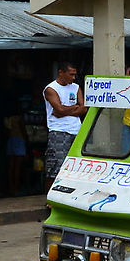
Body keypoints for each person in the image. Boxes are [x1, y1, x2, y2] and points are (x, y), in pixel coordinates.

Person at [43, 62, 86, 190]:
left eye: (74, 75)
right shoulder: (51, 89)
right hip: (58, 131)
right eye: (71, 74)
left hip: (76, 131)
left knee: (75, 166)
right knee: (56, 166)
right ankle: (50, 197)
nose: (73, 78)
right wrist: (74, 108)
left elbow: (84, 108)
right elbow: (58, 109)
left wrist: (64, 110)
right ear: (61, 73)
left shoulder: (76, 87)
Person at [4, 111, 28, 196]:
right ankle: (16, 188)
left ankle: (11, 187)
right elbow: (23, 129)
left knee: (11, 166)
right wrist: (26, 139)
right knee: (18, 166)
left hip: (11, 140)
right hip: (19, 139)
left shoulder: (7, 119)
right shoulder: (19, 118)